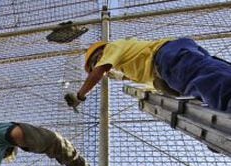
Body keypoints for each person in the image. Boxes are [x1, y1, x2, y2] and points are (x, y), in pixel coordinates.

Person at [65, 37, 231, 112]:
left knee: (207, 81)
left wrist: (79, 96)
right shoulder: (126, 64)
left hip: (166, 56)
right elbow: (118, 75)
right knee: (211, 77)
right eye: (94, 63)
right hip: (172, 57)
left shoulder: (112, 47)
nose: (97, 63)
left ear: (102, 50)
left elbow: (98, 73)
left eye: (96, 59)